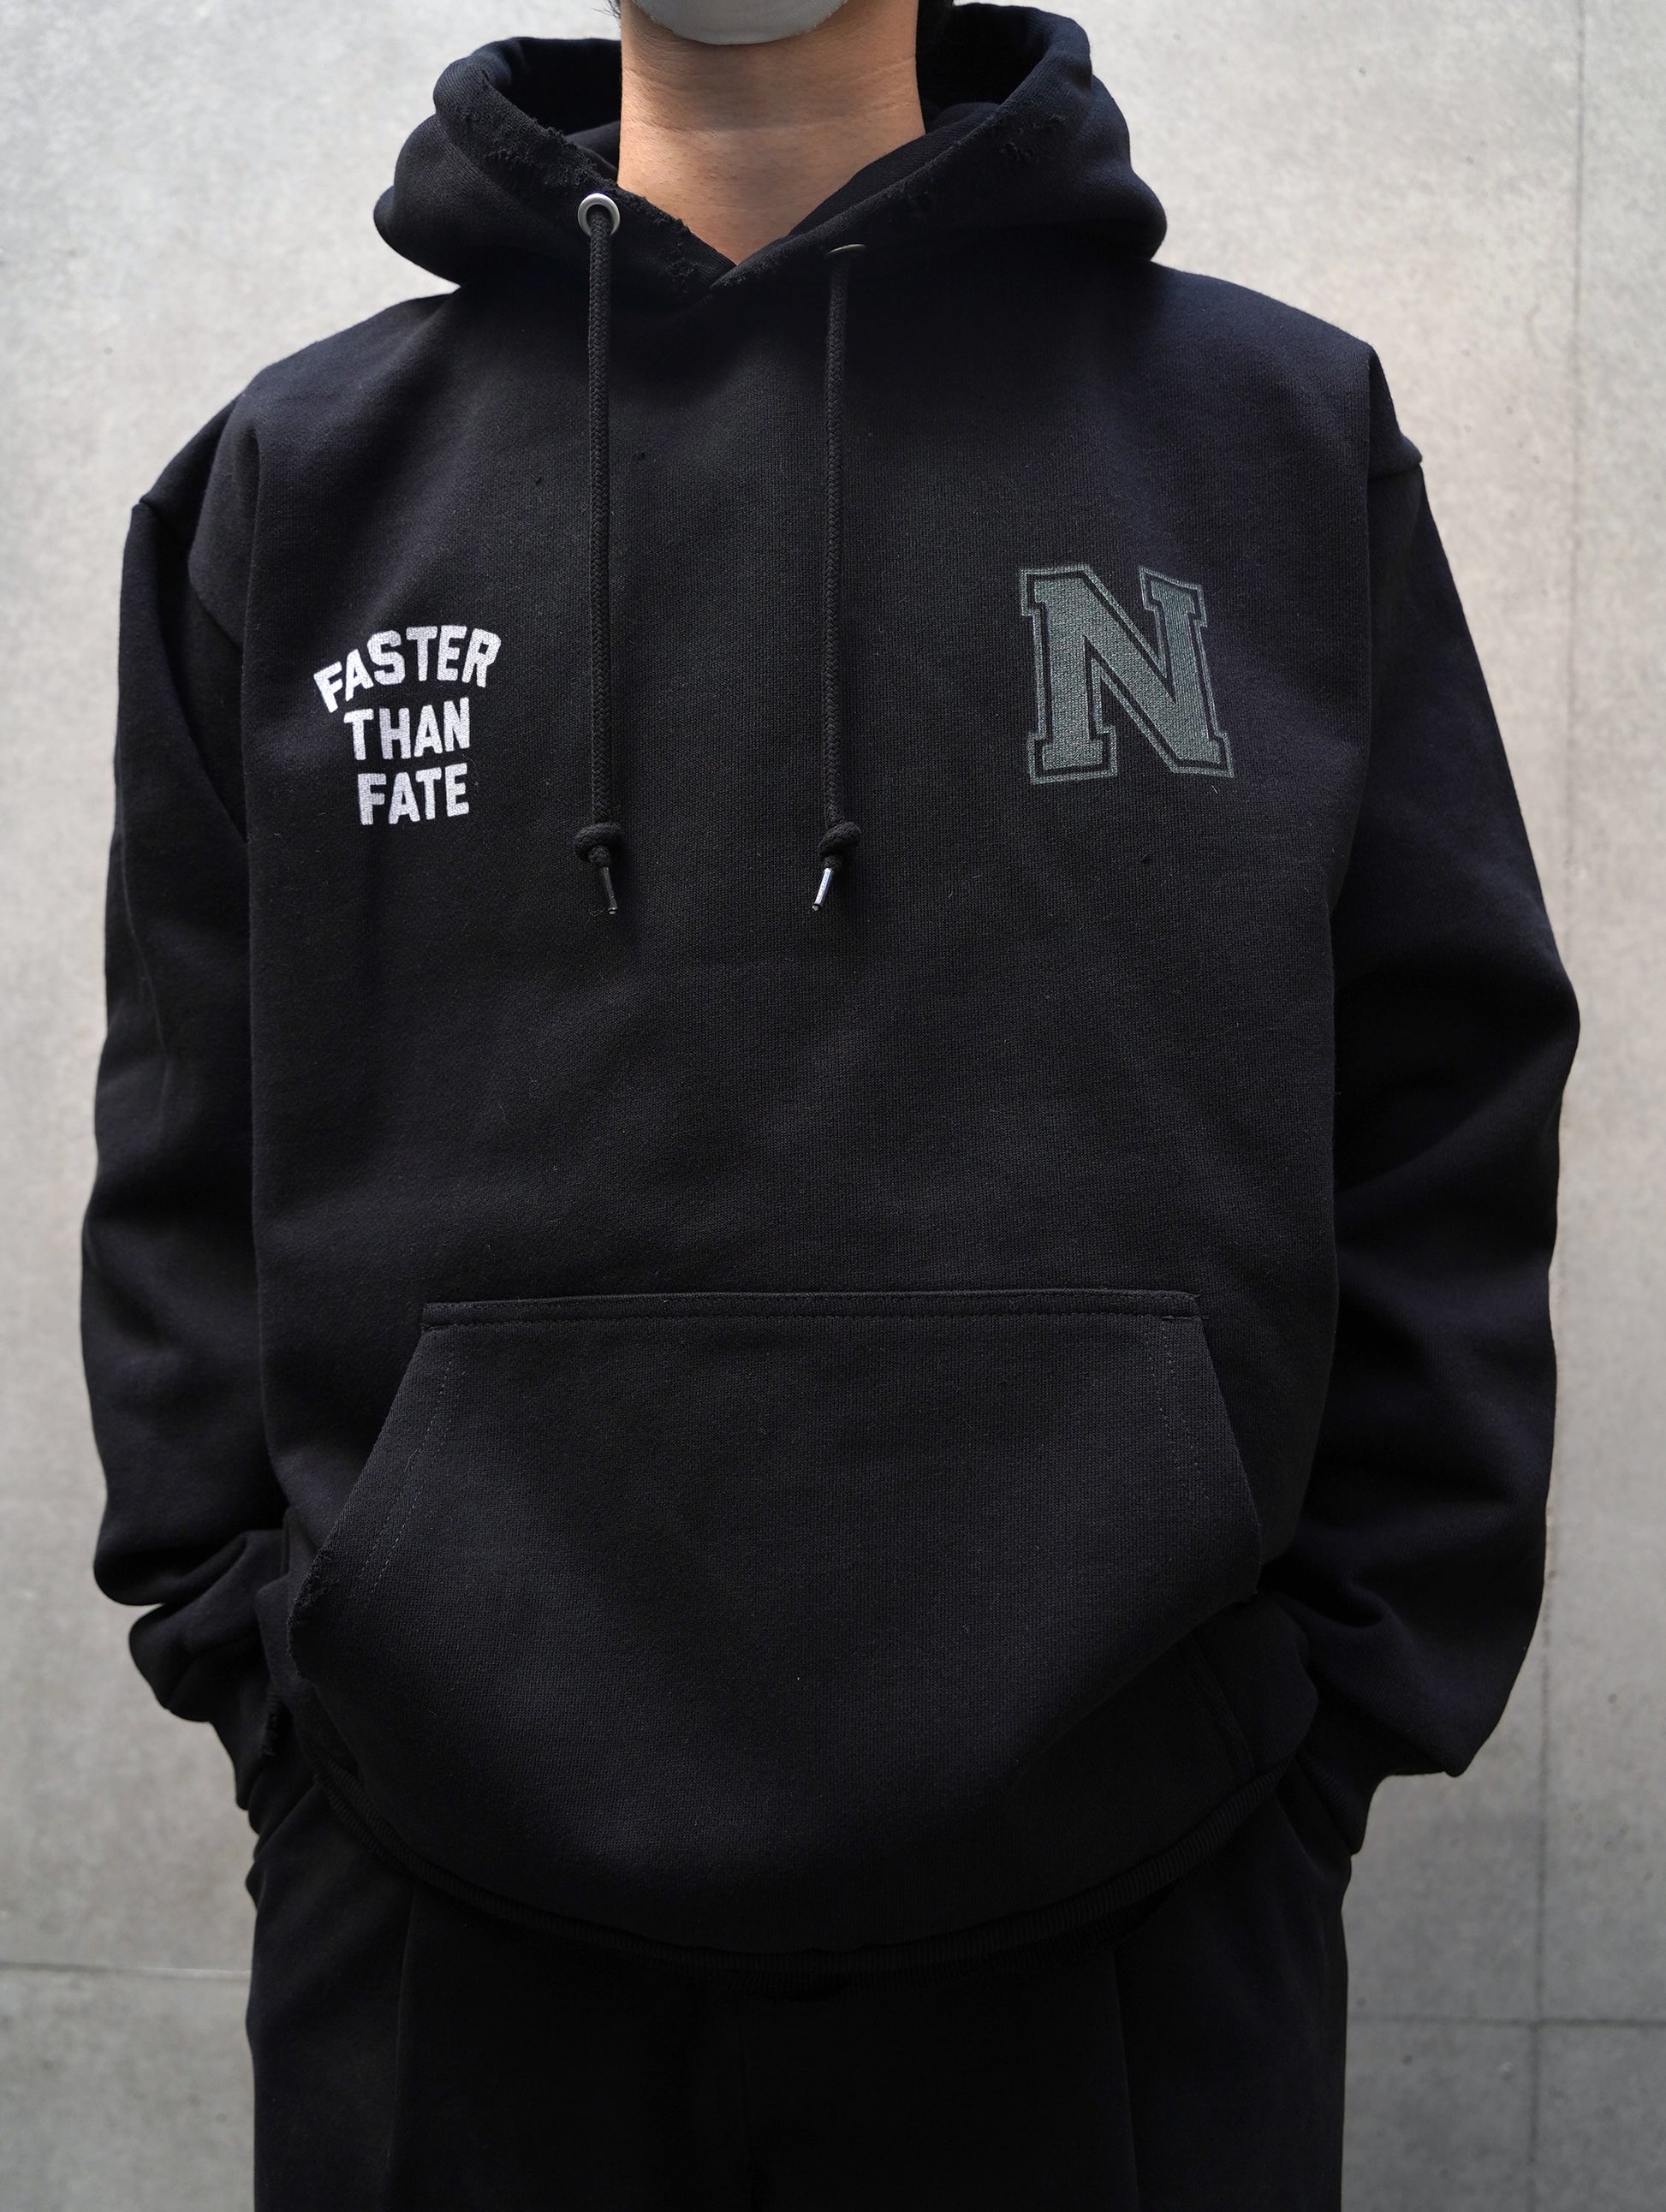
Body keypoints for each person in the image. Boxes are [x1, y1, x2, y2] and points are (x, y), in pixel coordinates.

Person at [81, 0, 1578, 2202]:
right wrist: (285, 1706)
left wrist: (1320, 1727)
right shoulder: (293, 483)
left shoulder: (1273, 434)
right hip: (436, 1938)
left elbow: (1443, 1093)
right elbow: (183, 1149)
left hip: (1142, 1934)